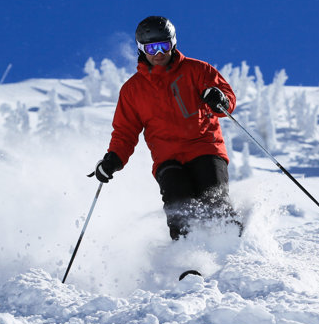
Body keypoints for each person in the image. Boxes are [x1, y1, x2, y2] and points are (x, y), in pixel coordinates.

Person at [91, 16, 242, 241]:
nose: (159, 53)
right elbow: (125, 132)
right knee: (179, 206)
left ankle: (232, 243)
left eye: (165, 46)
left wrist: (219, 98)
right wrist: (114, 159)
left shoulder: (197, 70)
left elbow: (227, 99)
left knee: (214, 199)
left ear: (173, 43)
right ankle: (189, 259)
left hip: (204, 148)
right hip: (168, 159)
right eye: (152, 48)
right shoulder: (133, 90)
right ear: (141, 49)